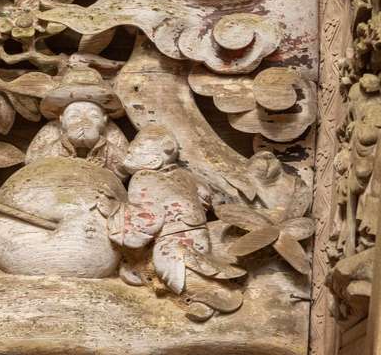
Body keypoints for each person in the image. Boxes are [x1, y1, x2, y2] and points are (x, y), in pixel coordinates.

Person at [99, 125, 244, 321]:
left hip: (171, 238)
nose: (129, 152)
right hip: (200, 234)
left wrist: (116, 210)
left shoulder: (143, 177)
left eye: (137, 148)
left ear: (155, 159)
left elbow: (149, 216)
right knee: (193, 262)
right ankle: (202, 304)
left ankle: (211, 292)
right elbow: (204, 196)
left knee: (168, 266)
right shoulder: (186, 175)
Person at [26, 66, 129, 180]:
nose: (83, 121)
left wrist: (100, 143)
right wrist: (64, 142)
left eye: (94, 116)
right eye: (74, 116)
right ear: (61, 119)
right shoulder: (53, 128)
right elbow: (31, 162)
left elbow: (126, 166)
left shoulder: (111, 130)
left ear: (104, 119)